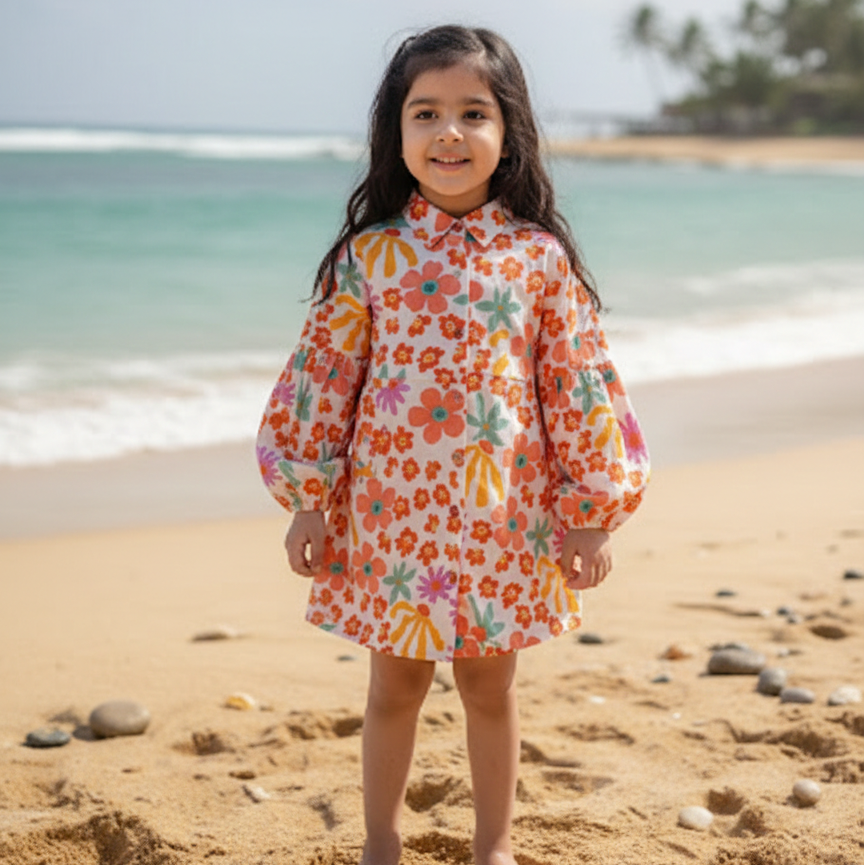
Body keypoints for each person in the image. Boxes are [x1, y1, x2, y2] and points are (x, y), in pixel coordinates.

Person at [257, 24, 649, 865]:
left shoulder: (537, 260)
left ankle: (494, 845)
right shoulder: (370, 258)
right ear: (395, 134)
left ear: (507, 132)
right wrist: (307, 500)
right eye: (425, 113)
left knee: (489, 684)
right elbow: (323, 383)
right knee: (394, 682)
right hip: (390, 517)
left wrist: (591, 511)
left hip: (500, 517)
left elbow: (578, 390)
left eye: (473, 113)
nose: (449, 133)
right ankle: (380, 841)